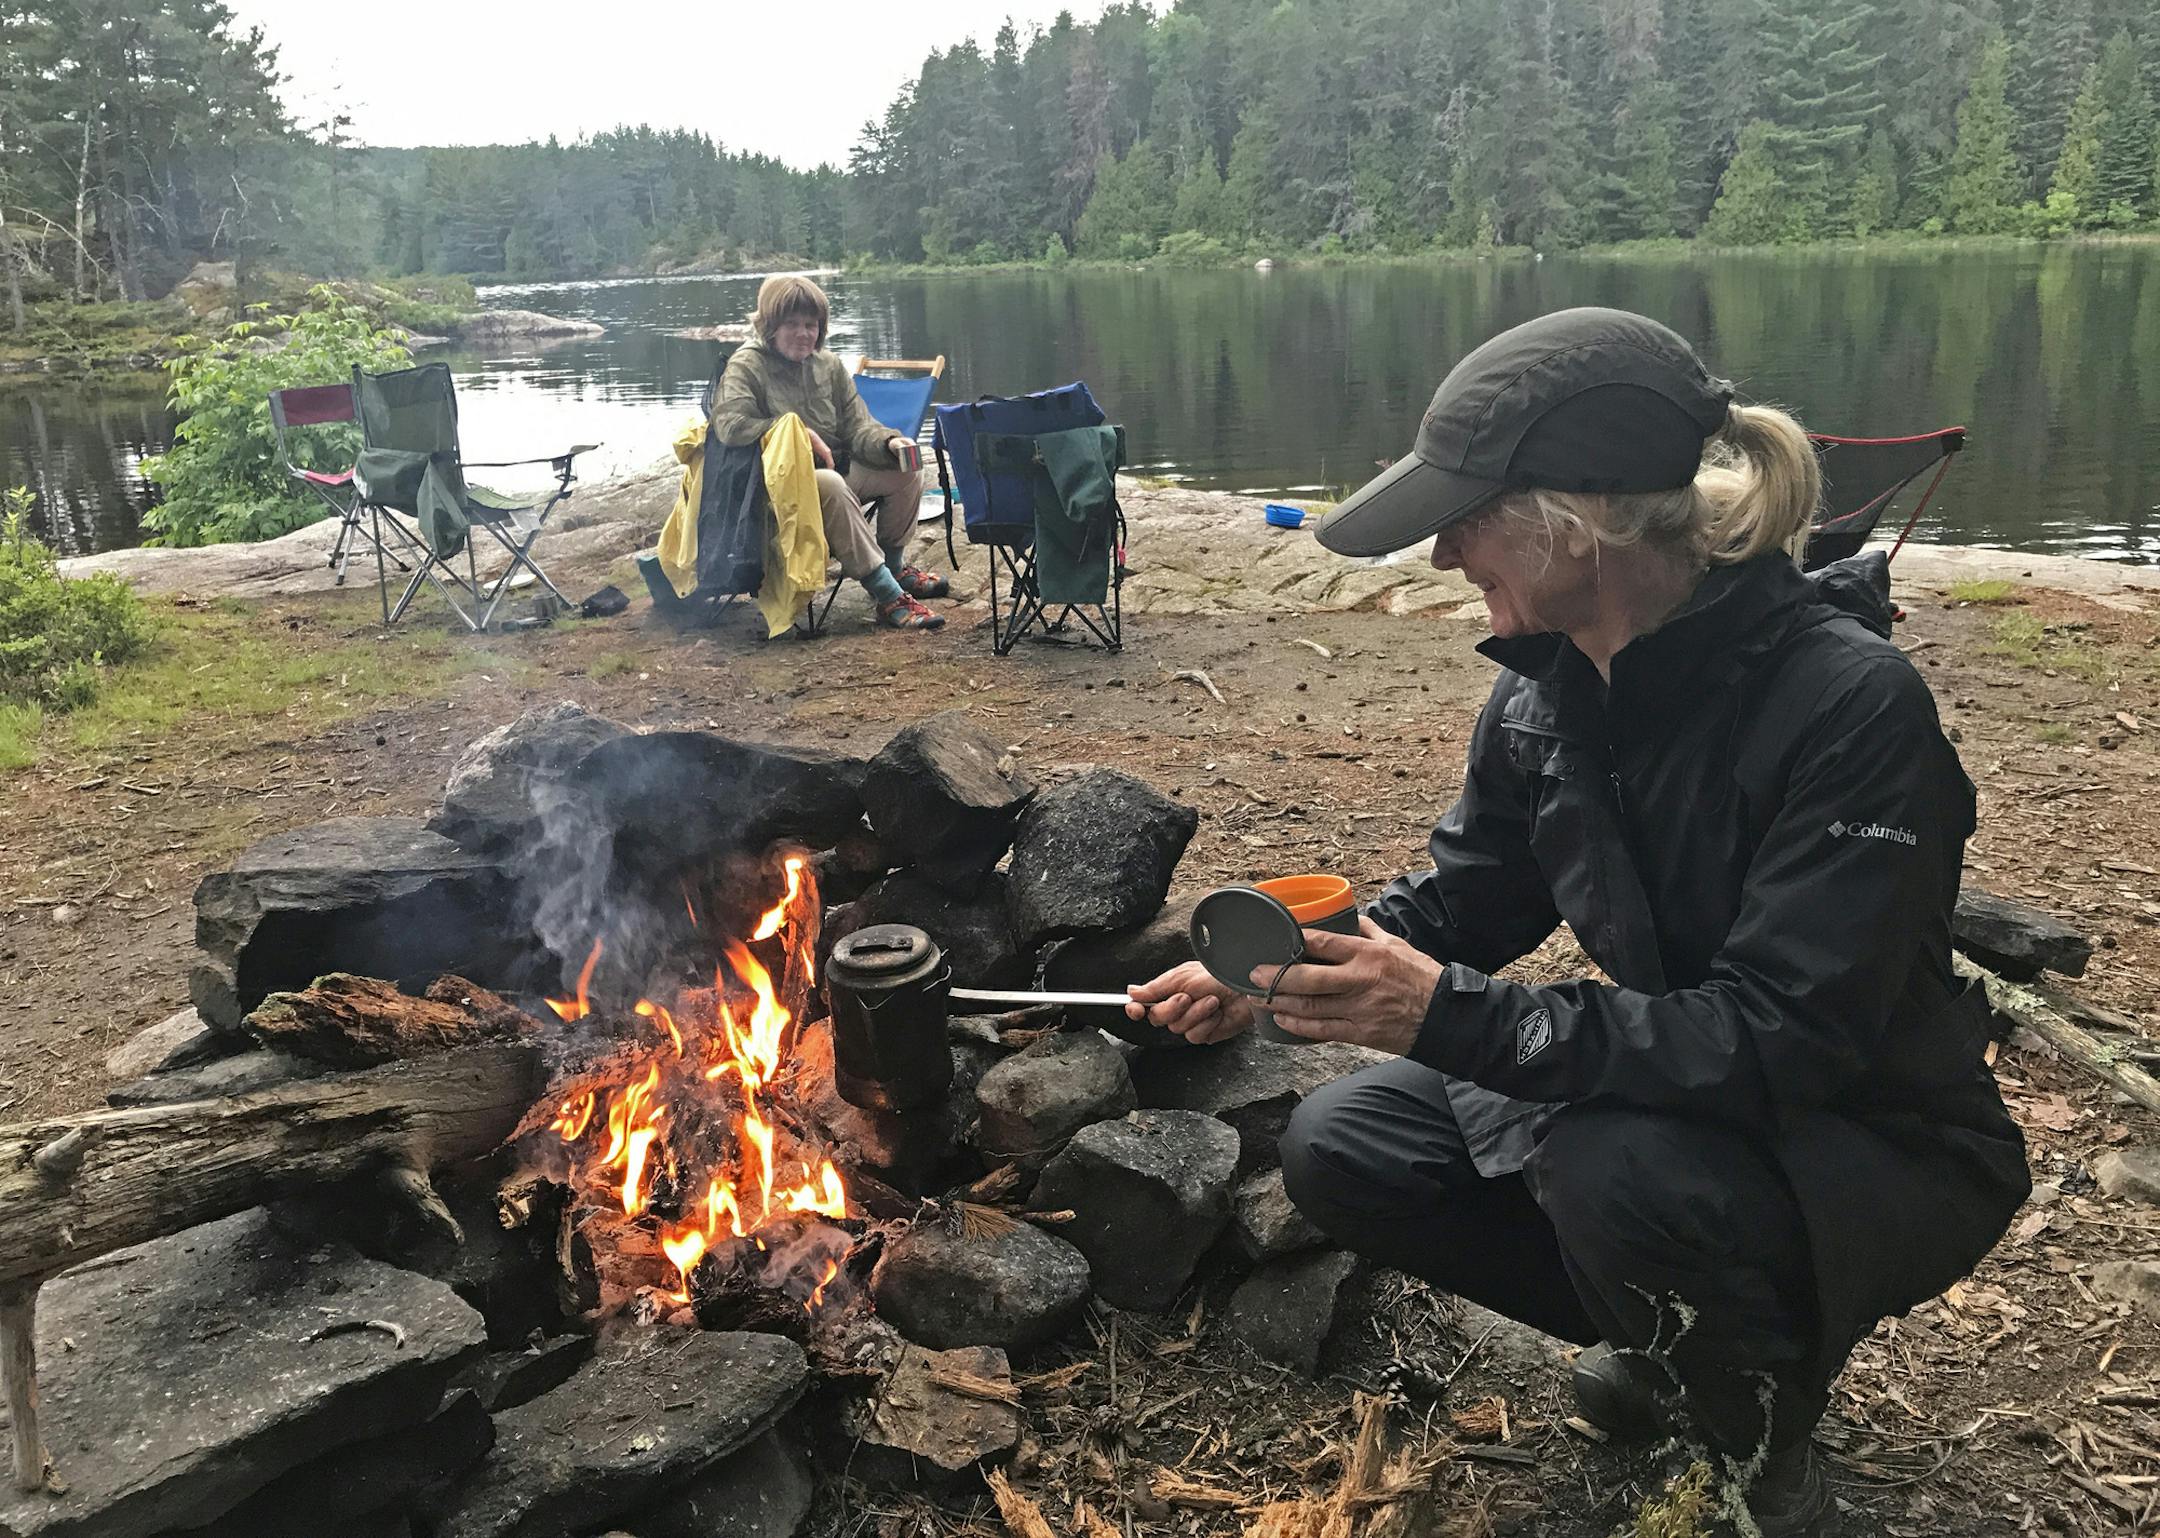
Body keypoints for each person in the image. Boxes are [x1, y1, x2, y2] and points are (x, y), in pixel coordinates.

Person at [1124, 308, 2028, 1535]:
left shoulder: (1848, 706)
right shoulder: (1547, 688)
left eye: (1468, 517)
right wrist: (1276, 972)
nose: (1445, 555)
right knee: (1345, 1144)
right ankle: (1675, 1342)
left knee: (1612, 1168)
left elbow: (1784, 1036)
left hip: (1868, 1128)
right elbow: (1469, 900)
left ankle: (1759, 1433)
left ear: (1583, 518)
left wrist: (1454, 1014)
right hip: (1681, 1081)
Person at [710, 274, 950, 631]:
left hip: (831, 472)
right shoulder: (747, 366)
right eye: (792, 324)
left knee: (907, 469)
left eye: (811, 325)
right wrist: (794, 433)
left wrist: (889, 442)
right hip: (774, 492)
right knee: (830, 484)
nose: (804, 333)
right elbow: (729, 425)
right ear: (770, 325)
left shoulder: (829, 365)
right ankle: (887, 594)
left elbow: (858, 427)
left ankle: (895, 566)